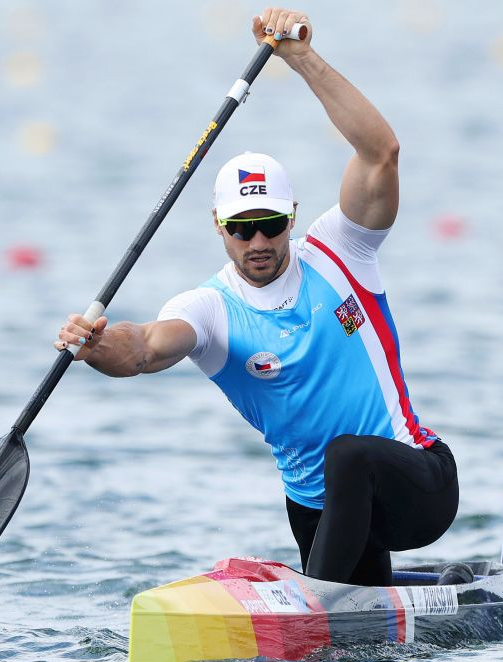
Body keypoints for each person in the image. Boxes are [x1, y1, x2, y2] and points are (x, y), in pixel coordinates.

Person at [54, 8, 458, 587]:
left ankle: (314, 603)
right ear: (218, 226)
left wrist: (300, 58)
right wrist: (95, 345)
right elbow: (142, 348)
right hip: (319, 511)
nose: (259, 241)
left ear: (292, 216)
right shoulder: (211, 309)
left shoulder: (342, 250)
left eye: (270, 223)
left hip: (418, 480)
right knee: (349, 650)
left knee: (348, 454)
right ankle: (430, 589)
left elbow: (381, 153)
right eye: (242, 228)